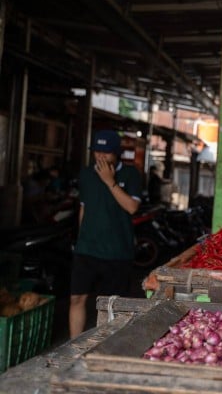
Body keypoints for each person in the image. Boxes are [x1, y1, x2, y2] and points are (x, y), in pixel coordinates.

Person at [69, 130, 142, 338]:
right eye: (97, 151)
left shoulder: (131, 174)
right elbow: (83, 209)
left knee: (111, 305)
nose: (100, 156)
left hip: (117, 252)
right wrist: (81, 238)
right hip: (87, 249)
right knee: (77, 299)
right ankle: (74, 347)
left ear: (116, 153)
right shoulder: (85, 174)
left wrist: (109, 181)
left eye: (106, 152)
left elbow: (132, 207)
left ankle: (106, 347)